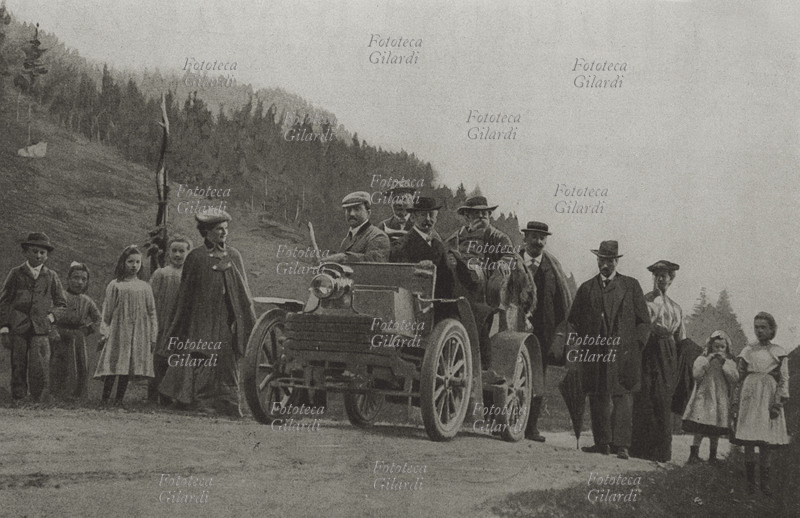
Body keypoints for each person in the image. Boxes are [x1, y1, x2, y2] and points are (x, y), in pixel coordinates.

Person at [159, 211, 256, 418]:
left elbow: (242, 291)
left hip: (227, 319)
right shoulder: (196, 257)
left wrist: (242, 318)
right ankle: (201, 402)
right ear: (207, 232)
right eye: (219, 229)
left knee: (227, 361)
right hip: (201, 318)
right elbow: (186, 293)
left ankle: (229, 404)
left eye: (225, 229)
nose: (224, 233)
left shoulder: (233, 255)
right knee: (203, 358)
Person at [568, 240, 650, 460]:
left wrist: (637, 346)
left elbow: (644, 322)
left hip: (624, 352)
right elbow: (573, 320)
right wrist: (576, 344)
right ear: (597, 260)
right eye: (602, 260)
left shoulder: (631, 286)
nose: (605, 264)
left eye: (610, 260)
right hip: (595, 351)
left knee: (622, 397)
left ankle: (622, 446)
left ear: (617, 262)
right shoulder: (586, 288)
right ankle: (602, 443)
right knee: (598, 395)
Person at [520, 221, 573, 443]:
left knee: (536, 379)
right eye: (534, 237)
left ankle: (531, 427)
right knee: (507, 375)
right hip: (513, 328)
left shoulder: (553, 268)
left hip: (543, 334)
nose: (538, 242)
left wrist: (561, 336)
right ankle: (503, 423)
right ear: (526, 238)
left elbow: (562, 304)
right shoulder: (513, 261)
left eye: (542, 238)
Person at [630, 260, 687, 462]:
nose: (661, 279)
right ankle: (640, 448)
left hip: (668, 352)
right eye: (658, 275)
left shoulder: (676, 308)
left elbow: (681, 336)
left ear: (671, 280)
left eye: (665, 276)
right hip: (649, 348)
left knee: (663, 396)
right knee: (645, 393)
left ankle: (661, 451)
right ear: (653, 278)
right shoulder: (645, 301)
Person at [0, 232, 66, 403]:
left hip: (40, 328)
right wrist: (5, 326)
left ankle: (37, 399)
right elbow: (4, 301)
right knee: (18, 362)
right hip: (18, 326)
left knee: (39, 364)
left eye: (42, 253)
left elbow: (61, 304)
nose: (38, 256)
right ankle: (19, 398)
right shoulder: (16, 273)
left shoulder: (51, 276)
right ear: (25, 252)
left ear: (47, 255)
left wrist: (51, 318)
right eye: (34, 251)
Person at [732, 312, 790, 495]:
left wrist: (777, 403)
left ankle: (764, 485)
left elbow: (783, 379)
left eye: (763, 327)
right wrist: (735, 401)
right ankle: (751, 485)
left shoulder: (778, 352)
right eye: (756, 327)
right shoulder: (748, 350)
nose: (759, 331)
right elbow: (738, 376)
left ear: (772, 329)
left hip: (768, 397)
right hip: (750, 397)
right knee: (749, 440)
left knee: (765, 442)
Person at [94, 245, 157, 407]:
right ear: (123, 263)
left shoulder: (145, 287)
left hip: (137, 333)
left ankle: (119, 400)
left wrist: (152, 335)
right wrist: (105, 332)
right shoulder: (115, 285)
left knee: (126, 366)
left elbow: (151, 312)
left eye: (137, 262)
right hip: (118, 332)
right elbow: (107, 311)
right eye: (130, 262)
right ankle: (105, 399)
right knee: (114, 363)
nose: (134, 265)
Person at [444, 196, 518, 305]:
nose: (480, 216)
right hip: (458, 274)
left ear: (489, 215)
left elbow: (509, 255)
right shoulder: (456, 237)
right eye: (476, 213)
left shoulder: (498, 237)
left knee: (475, 273)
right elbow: (445, 251)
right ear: (467, 216)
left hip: (484, 277)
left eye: (484, 213)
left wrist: (503, 262)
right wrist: (449, 259)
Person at [147, 236, 192, 405]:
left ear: (188, 253)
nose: (178, 255)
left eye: (182, 251)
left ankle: (173, 396)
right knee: (159, 358)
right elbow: (151, 298)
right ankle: (153, 396)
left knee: (177, 359)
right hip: (163, 319)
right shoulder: (161, 273)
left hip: (181, 323)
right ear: (168, 253)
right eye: (174, 251)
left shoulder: (189, 276)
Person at [682, 330, 738, 464]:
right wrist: (708, 359)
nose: (719, 350)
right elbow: (696, 374)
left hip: (719, 397)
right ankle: (694, 454)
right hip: (705, 395)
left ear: (726, 348)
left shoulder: (728, 362)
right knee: (700, 425)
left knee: (716, 428)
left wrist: (724, 362)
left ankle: (712, 455)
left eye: (722, 347)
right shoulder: (703, 359)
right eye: (716, 347)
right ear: (710, 346)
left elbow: (734, 378)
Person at [50, 262, 101, 400]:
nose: (79, 282)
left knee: (79, 366)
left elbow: (98, 320)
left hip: (78, 338)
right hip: (60, 337)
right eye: (76, 277)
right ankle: (58, 395)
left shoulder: (87, 301)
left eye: (83, 279)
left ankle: (77, 396)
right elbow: (50, 316)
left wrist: (88, 329)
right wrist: (53, 331)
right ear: (68, 279)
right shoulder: (60, 297)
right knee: (60, 366)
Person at [391, 196, 455, 299]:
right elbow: (401, 281)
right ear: (412, 218)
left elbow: (447, 281)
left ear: (436, 218)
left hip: (439, 304)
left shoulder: (438, 245)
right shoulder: (401, 245)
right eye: (423, 215)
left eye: (431, 215)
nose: (428, 219)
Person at [326, 191, 390, 263]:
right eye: (348, 210)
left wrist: (343, 258)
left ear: (368, 213)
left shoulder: (378, 236)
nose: (352, 214)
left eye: (357, 209)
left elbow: (375, 265)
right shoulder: (348, 238)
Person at [378, 186, 416, 254]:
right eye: (395, 199)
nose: (399, 203)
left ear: (412, 203)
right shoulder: (383, 226)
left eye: (404, 199)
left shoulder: (420, 224)